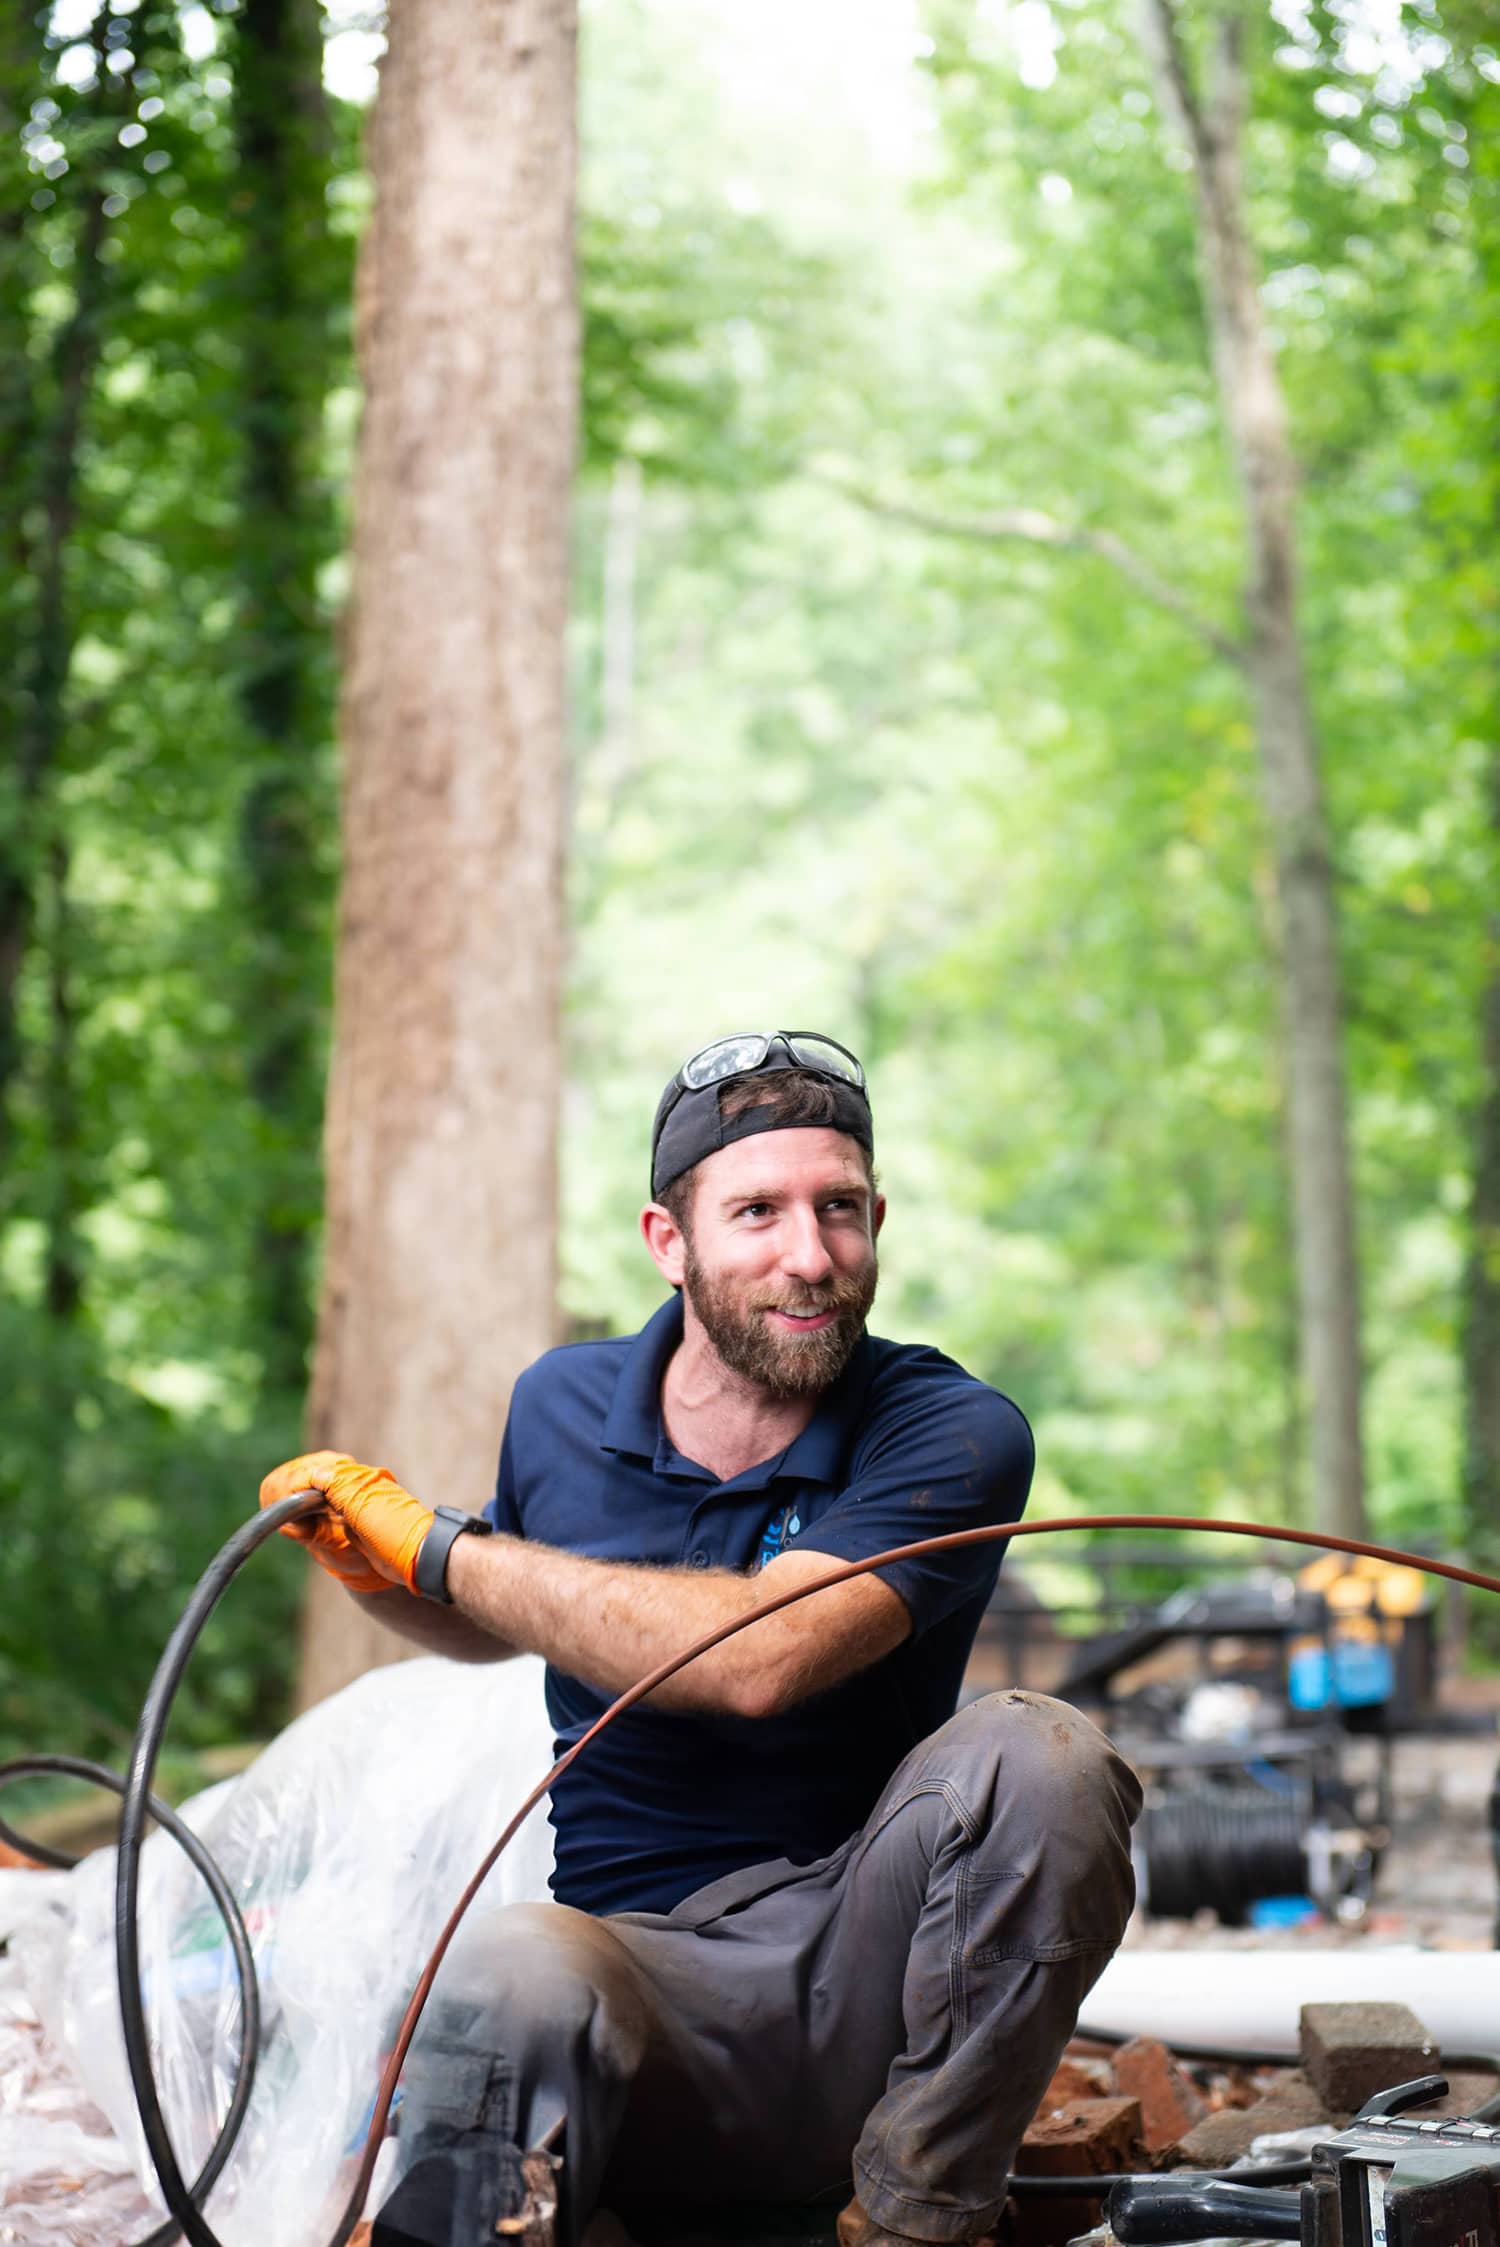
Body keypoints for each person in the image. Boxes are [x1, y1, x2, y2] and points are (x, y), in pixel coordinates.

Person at [261, 1031, 1141, 2247]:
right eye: (758, 1212)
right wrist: (375, 1565)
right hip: (640, 1993)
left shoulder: (949, 1427)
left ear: (878, 1220)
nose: (810, 1256)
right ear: (668, 1242)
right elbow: (516, 1616)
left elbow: (755, 1660)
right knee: (506, 1971)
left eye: (840, 1209)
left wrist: (445, 1548)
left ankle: (916, 2218)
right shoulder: (559, 1405)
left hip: (868, 1989)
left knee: (1042, 1757)